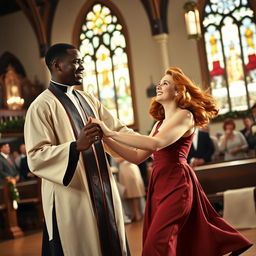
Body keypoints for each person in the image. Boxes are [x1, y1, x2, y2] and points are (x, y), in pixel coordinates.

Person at [91, 67, 252, 255]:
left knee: (157, 243)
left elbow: (156, 143)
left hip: (178, 183)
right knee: (172, 242)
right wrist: (105, 139)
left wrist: (111, 132)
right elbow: (136, 157)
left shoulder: (185, 115)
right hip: (159, 185)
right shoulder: (158, 124)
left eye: (165, 83)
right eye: (159, 83)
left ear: (178, 91)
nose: (159, 86)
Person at [24, 43, 134, 256]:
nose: (82, 66)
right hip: (73, 196)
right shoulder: (41, 106)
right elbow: (36, 157)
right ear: (57, 65)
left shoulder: (88, 99)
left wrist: (156, 142)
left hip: (103, 188)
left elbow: (118, 130)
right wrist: (75, 147)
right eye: (76, 62)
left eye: (82, 61)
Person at [115, 156, 145, 222]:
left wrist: (124, 156)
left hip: (131, 168)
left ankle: (137, 213)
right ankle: (134, 214)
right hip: (124, 169)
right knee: (129, 193)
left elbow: (136, 157)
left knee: (135, 192)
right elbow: (116, 160)